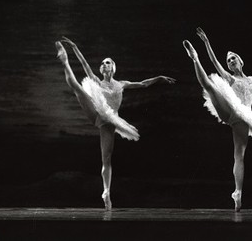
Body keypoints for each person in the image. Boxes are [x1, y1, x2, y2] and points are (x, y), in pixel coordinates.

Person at [56, 37, 176, 210]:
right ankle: (64, 60)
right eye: (103, 63)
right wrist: (74, 47)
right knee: (76, 87)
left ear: (113, 67)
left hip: (109, 122)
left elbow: (143, 84)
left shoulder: (121, 84)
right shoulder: (97, 80)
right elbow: (84, 64)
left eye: (108, 63)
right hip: (97, 113)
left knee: (106, 158)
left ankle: (106, 192)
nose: (105, 65)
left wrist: (159, 77)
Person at [182, 27, 252, 211]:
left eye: (232, 59)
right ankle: (194, 57)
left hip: (243, 117)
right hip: (229, 108)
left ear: (240, 61)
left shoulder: (251, 79)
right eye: (228, 61)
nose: (229, 62)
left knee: (239, 156)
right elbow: (213, 61)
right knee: (210, 87)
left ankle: (238, 192)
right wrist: (206, 42)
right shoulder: (229, 78)